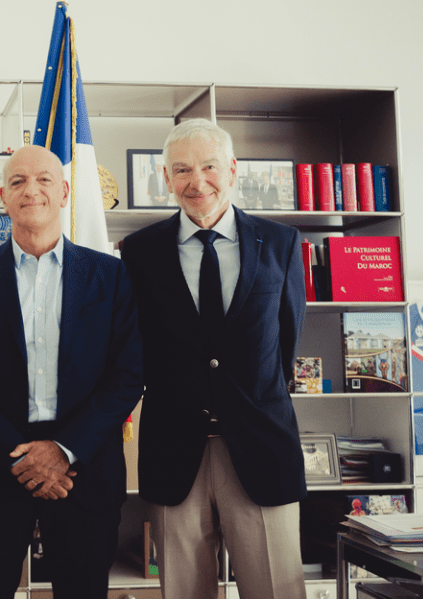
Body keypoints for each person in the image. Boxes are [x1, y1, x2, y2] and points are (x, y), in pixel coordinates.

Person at [0, 145, 144, 599]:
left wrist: (64, 451)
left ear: (66, 191)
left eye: (44, 180)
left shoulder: (109, 276)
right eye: (17, 182)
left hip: (83, 473)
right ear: (3, 197)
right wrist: (20, 458)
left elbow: (128, 374)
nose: (31, 190)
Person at [121, 119, 307, 599]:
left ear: (232, 169)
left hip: (261, 449)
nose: (196, 180)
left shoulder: (282, 243)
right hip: (173, 452)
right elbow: (134, 346)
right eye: (181, 169)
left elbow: (286, 346)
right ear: (165, 178)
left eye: (208, 166)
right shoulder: (139, 253)